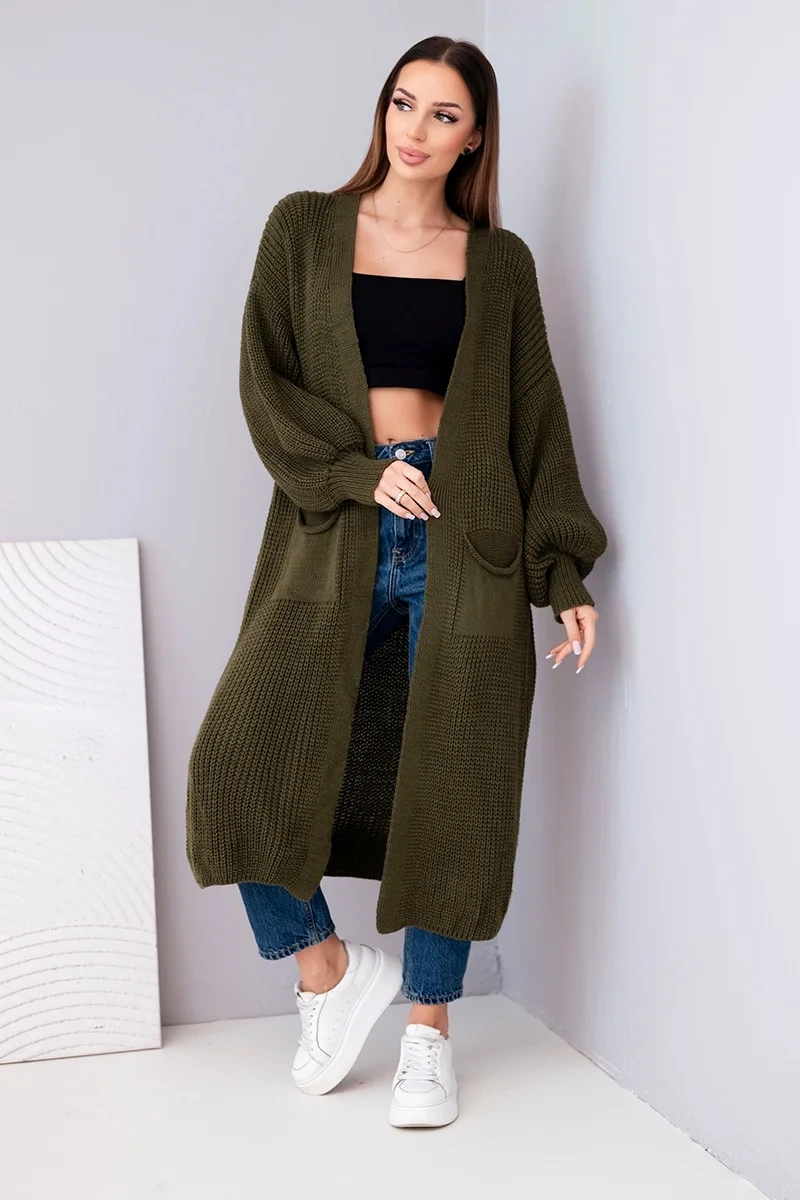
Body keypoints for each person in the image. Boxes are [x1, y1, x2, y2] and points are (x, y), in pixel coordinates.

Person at [186, 35, 608, 1129]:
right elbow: (267, 383)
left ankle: (429, 1033)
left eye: (443, 115)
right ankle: (326, 970)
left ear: (475, 138)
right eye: (403, 103)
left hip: (467, 539)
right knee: (238, 764)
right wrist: (354, 474)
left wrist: (562, 569)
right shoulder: (304, 228)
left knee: (455, 784)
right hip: (338, 525)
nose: (414, 130)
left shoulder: (498, 263)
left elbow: (534, 420)